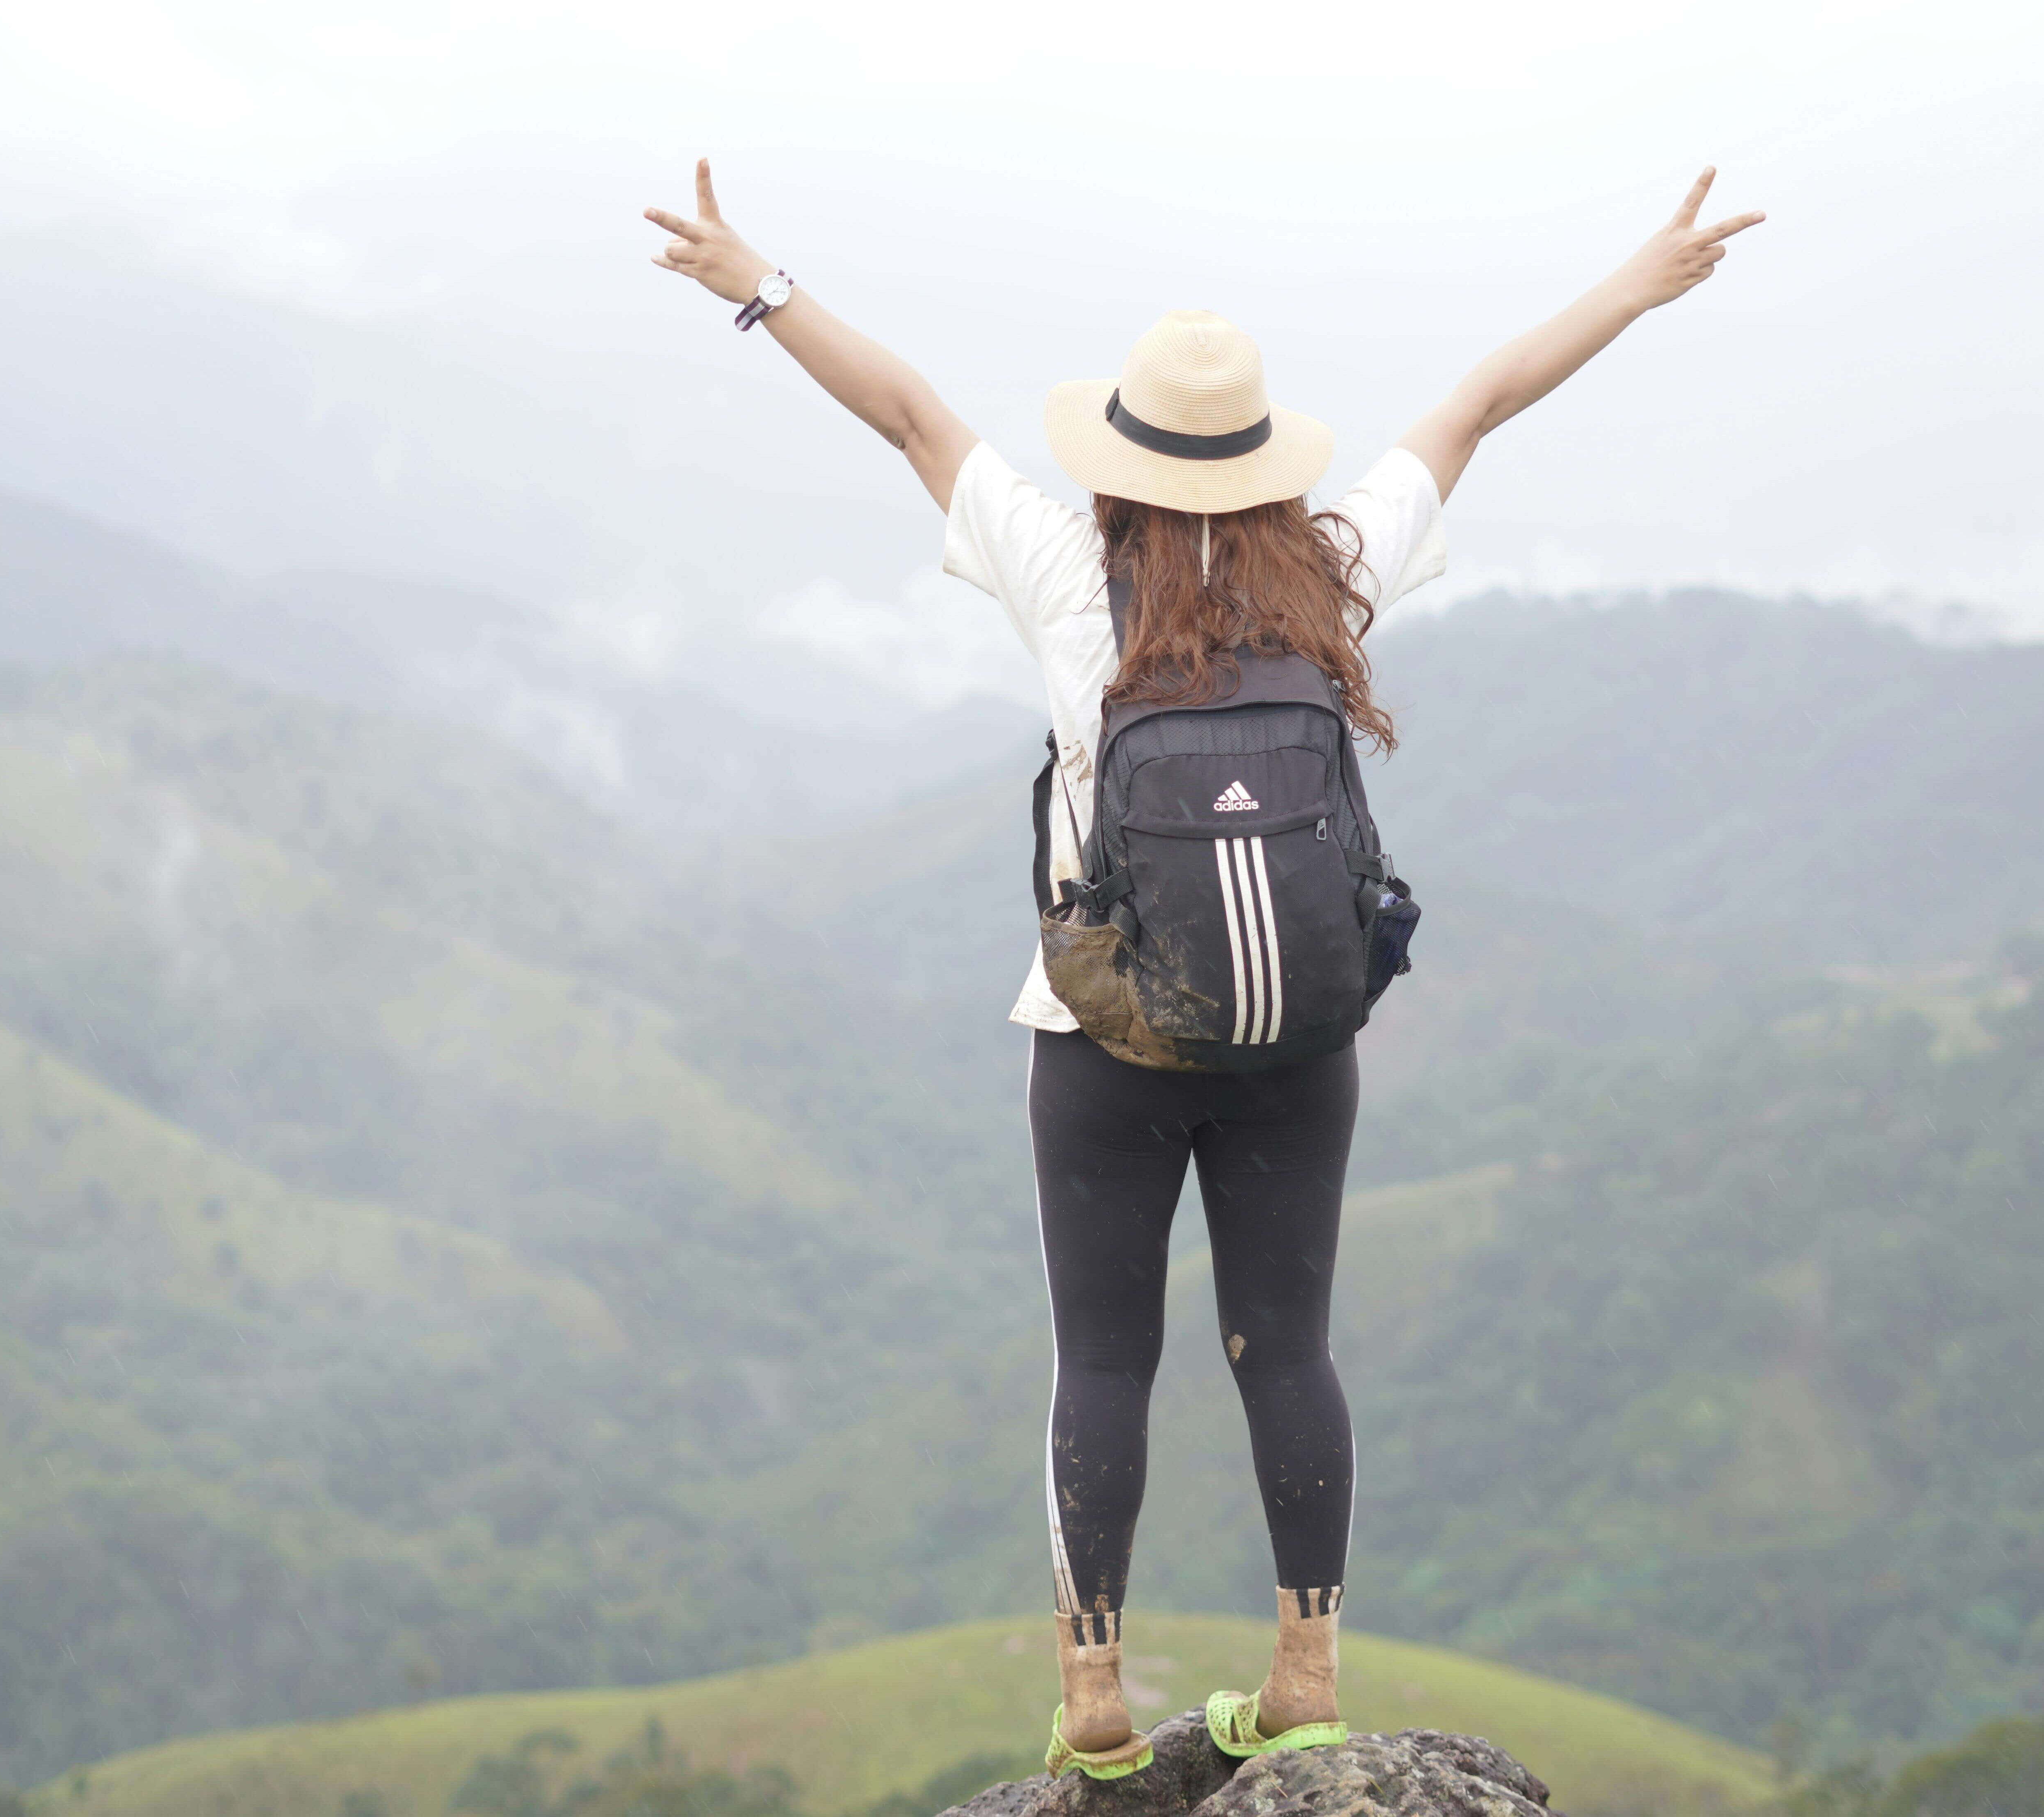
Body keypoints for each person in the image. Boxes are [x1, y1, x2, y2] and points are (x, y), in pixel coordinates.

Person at [643, 159, 1761, 1779]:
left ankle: (1092, 1703)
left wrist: (754, 280)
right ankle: (1307, 1672)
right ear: (1261, 463)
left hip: (1101, 1046)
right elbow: (1479, 403)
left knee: (1104, 1357)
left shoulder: (1065, 584)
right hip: (1299, 1037)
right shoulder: (1333, 578)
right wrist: (1639, 281)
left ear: (1122, 460)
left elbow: (905, 414)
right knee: (1286, 1346)